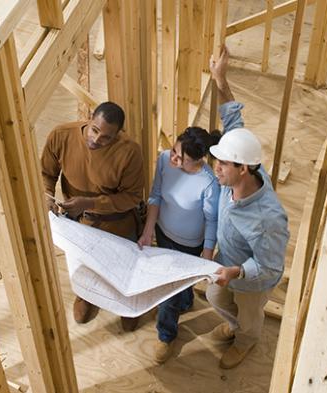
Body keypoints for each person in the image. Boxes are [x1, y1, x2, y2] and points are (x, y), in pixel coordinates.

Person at [206, 46, 290, 369]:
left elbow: (270, 268)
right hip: (226, 264)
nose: (215, 168)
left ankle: (245, 341)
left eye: (222, 164)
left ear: (242, 169)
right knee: (215, 297)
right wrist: (220, 79)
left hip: (250, 281)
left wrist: (237, 272)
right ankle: (233, 324)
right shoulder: (243, 170)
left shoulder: (267, 220)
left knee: (250, 317)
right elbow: (233, 120)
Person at [42, 101, 145, 332]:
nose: (97, 140)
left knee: (122, 271)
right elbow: (46, 173)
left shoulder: (130, 152)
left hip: (116, 224)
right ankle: (87, 296)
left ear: (118, 135)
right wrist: (47, 195)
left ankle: (125, 304)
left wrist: (89, 203)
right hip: (77, 223)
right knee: (82, 265)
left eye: (106, 137)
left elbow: (132, 197)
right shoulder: (61, 135)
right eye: (94, 130)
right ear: (89, 119)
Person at [137, 126, 221, 363]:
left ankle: (170, 327)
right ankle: (171, 324)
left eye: (180, 158)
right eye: (174, 150)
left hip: (190, 245)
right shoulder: (164, 159)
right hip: (163, 235)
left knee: (176, 292)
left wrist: (206, 254)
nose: (173, 157)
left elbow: (211, 220)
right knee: (169, 292)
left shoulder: (208, 183)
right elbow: (155, 196)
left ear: (197, 160)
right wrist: (147, 233)